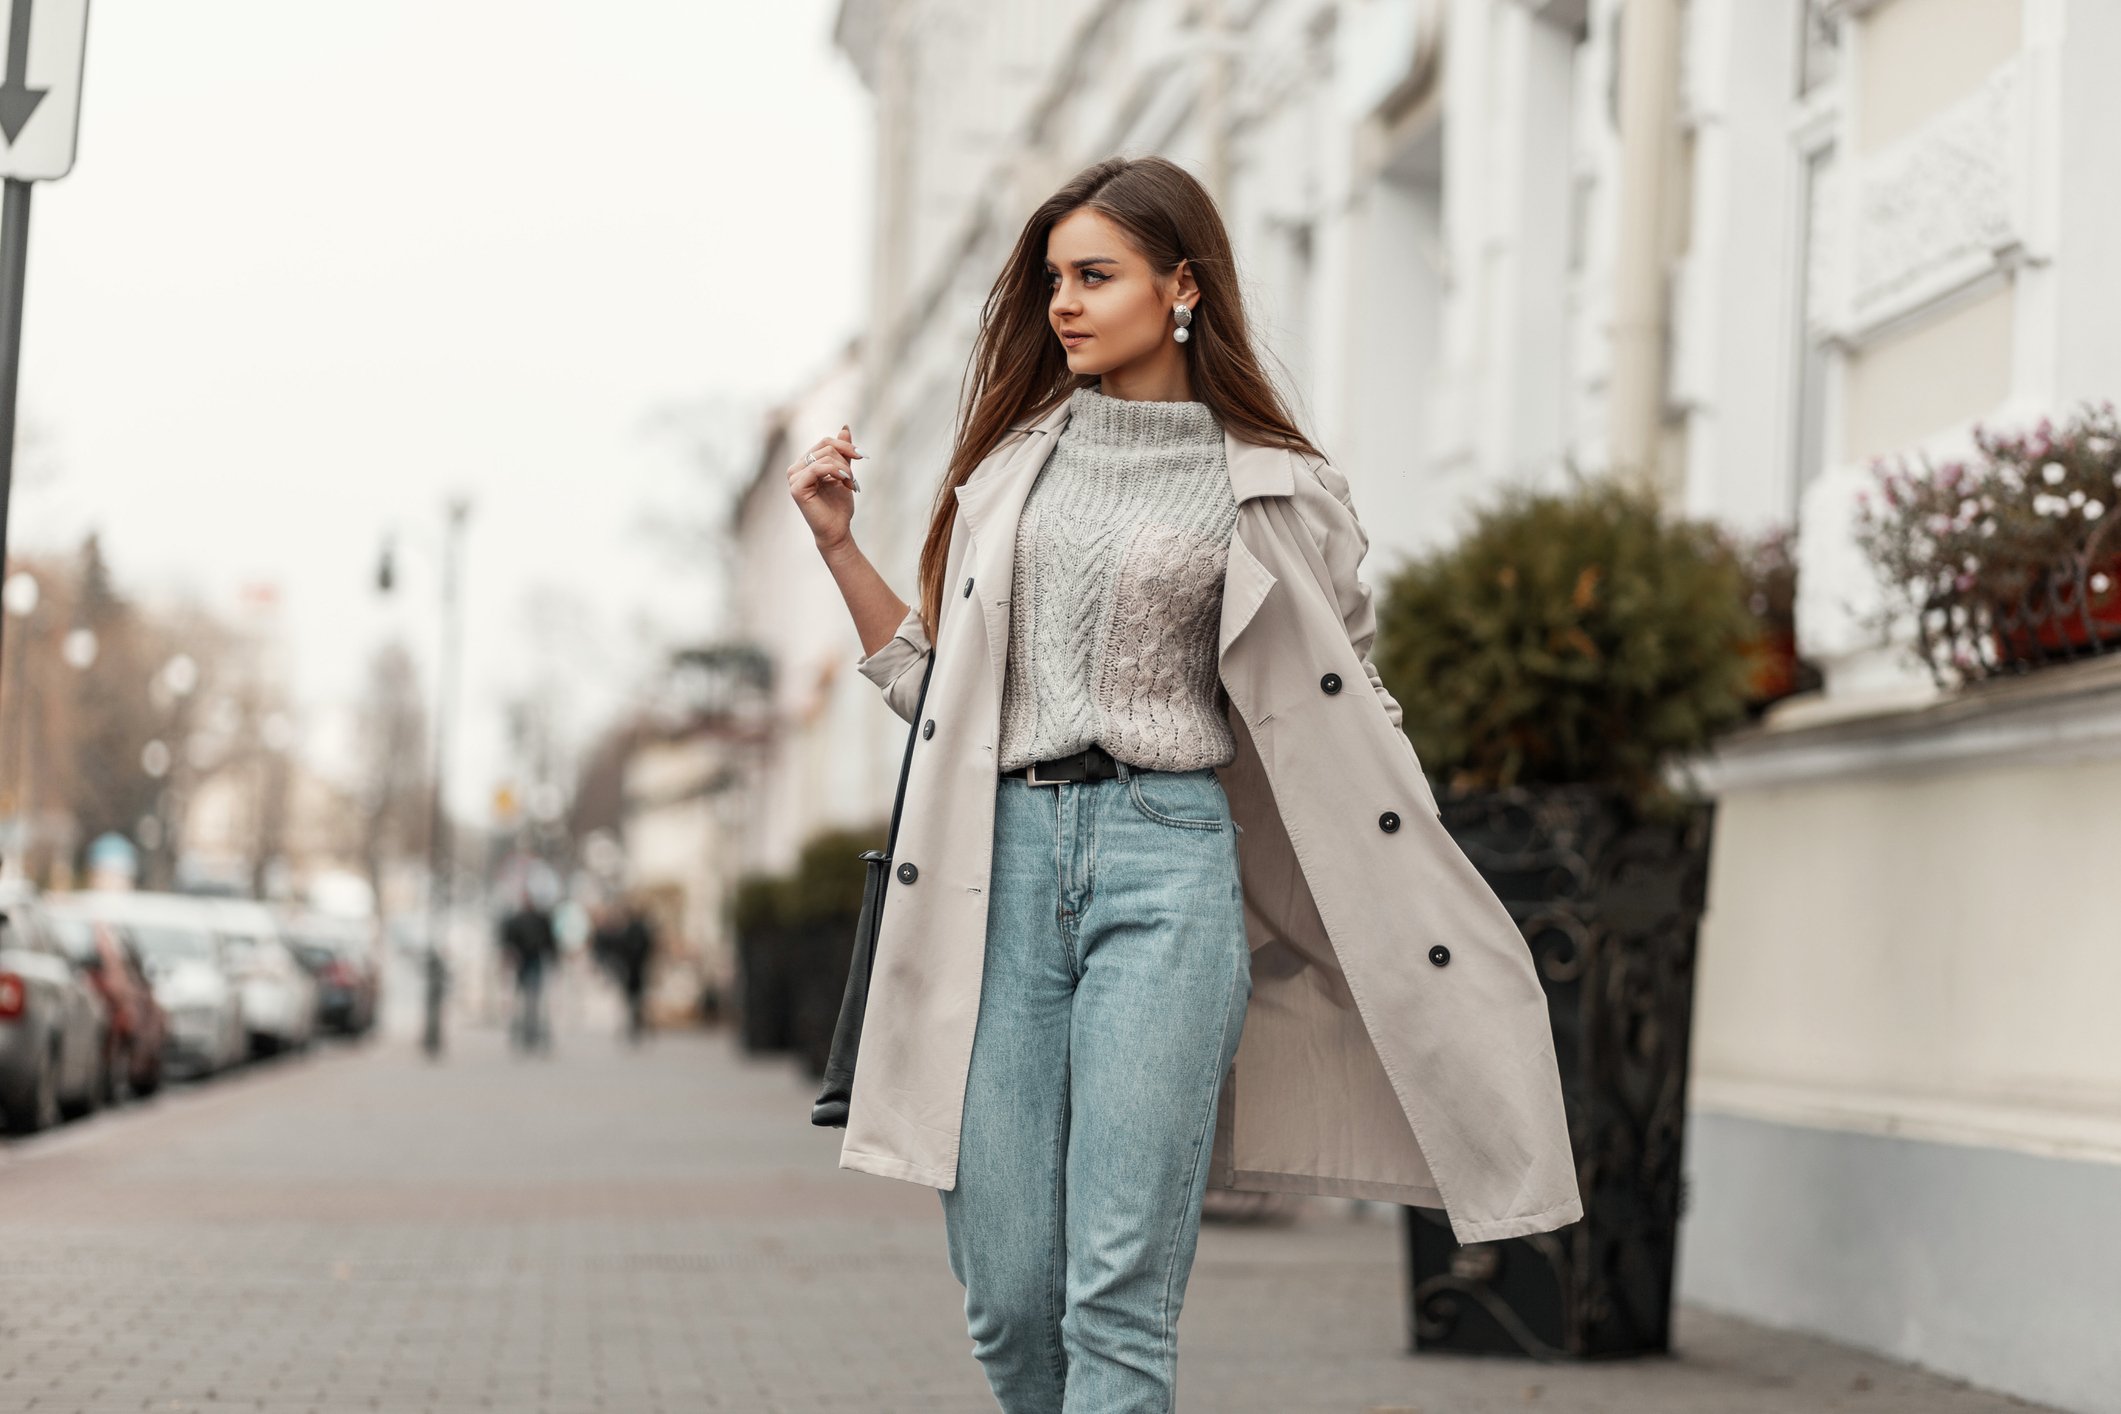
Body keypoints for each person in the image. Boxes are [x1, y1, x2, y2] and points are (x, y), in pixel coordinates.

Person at [790, 156, 1581, 1411]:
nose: (1063, 302)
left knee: (1117, 1297)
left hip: (1169, 864)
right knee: (1007, 1298)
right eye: (1053, 278)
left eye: (1094, 275)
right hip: (997, 871)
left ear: (1183, 289)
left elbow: (1344, 700)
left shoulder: (1275, 489)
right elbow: (943, 700)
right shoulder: (1008, 475)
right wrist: (842, 548)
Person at [498, 897, 557, 1054]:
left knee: (524, 999)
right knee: (532, 999)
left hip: (524, 961)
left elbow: (508, 941)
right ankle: (530, 1034)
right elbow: (550, 942)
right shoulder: (539, 919)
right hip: (532, 961)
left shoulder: (517, 920)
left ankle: (526, 1034)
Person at [593, 899, 655, 1045]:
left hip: (631, 970)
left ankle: (635, 1026)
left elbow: (620, 948)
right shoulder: (639, 930)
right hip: (637, 970)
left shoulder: (628, 931)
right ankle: (636, 1026)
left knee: (632, 1001)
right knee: (637, 1000)